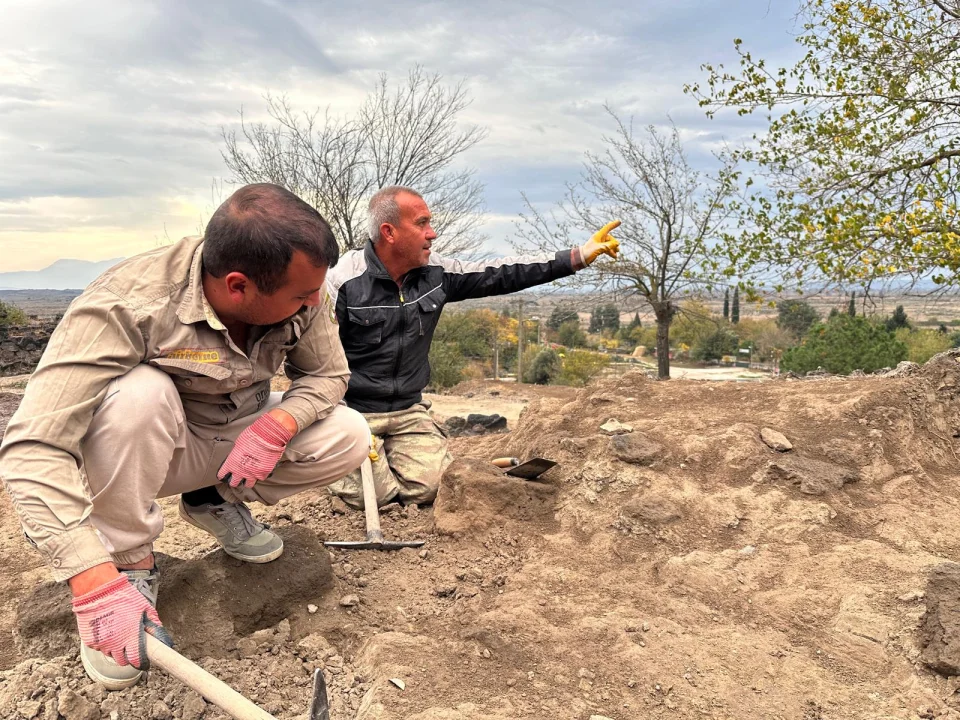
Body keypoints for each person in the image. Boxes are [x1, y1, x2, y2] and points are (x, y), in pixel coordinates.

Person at [0, 184, 370, 690]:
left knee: (349, 432)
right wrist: (89, 578)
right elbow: (33, 446)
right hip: (151, 448)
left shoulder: (304, 291)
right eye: (301, 296)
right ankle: (129, 562)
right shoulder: (128, 303)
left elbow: (328, 377)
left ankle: (211, 498)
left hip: (237, 440)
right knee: (139, 394)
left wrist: (280, 423)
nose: (314, 303)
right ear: (238, 286)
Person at [325, 185, 619, 509]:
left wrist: (576, 257)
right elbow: (315, 361)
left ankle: (393, 458)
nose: (432, 234)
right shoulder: (342, 283)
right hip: (354, 412)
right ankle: (349, 462)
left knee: (429, 488)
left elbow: (503, 272)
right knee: (373, 497)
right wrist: (334, 417)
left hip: (408, 411)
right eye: (422, 223)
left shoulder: (437, 273)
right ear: (389, 232)